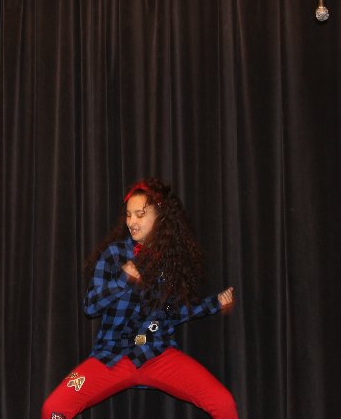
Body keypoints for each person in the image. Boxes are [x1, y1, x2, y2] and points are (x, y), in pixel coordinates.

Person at [42, 178, 238, 419]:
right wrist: (122, 279)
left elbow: (173, 312)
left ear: (160, 218)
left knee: (223, 403)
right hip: (113, 355)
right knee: (54, 409)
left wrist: (214, 304)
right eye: (128, 215)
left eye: (139, 215)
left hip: (157, 353)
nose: (131, 222)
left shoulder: (171, 261)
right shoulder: (114, 255)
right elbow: (90, 306)